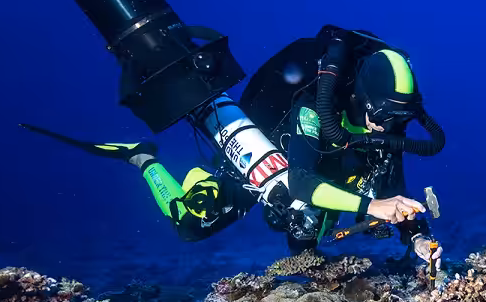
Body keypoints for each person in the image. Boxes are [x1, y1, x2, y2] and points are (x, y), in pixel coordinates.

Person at [22, 25, 447, 267]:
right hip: (277, 168)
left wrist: (418, 239)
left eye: (401, 120)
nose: (390, 128)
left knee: (306, 248)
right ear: (359, 98)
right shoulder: (314, 111)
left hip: (319, 184)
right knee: (191, 226)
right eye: (385, 116)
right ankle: (145, 159)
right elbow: (297, 181)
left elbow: (393, 191)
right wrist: (371, 207)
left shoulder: (384, 129)